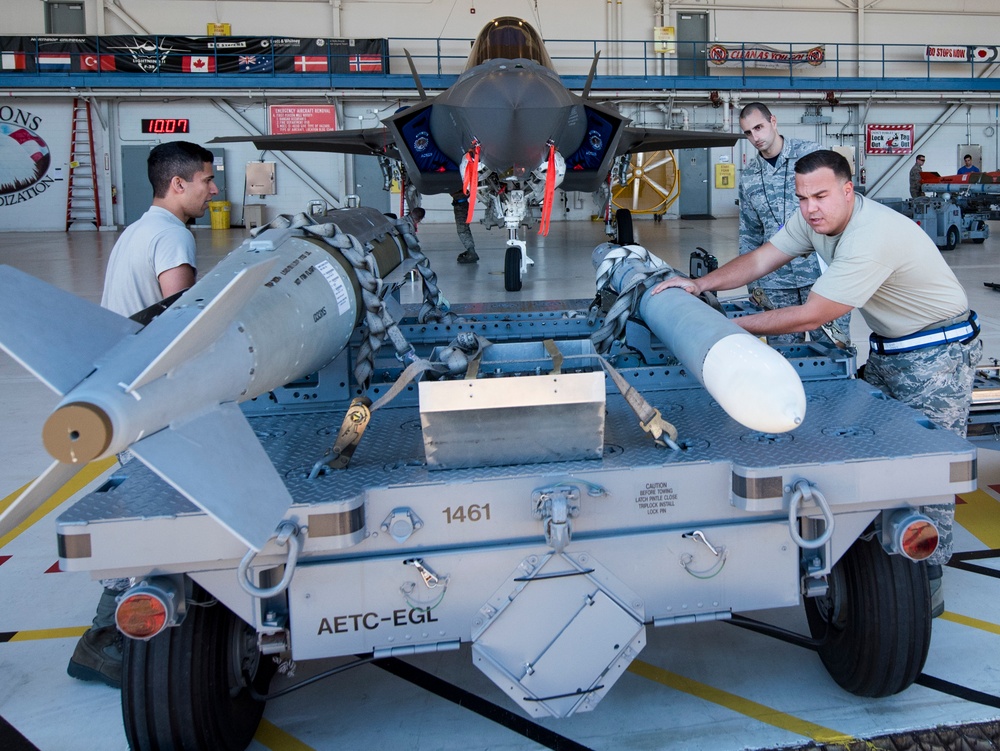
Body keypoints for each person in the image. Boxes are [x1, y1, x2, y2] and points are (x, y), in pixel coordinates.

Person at [652, 149, 982, 610]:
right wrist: (701, 286)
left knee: (926, 466)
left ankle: (926, 578)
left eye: (821, 195)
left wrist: (726, 327)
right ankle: (876, 551)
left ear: (848, 191)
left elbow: (816, 313)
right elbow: (763, 258)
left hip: (937, 354)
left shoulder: (872, 235)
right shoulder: (816, 220)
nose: (810, 207)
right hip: (893, 347)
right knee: (883, 449)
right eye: (802, 196)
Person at [68, 140, 218, 689]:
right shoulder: (173, 236)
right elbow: (179, 320)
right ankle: (101, 639)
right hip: (152, 395)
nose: (213, 188)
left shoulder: (138, 230)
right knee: (151, 511)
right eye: (205, 179)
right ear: (177, 184)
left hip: (122, 382)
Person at [736, 102, 849, 346]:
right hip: (775, 281)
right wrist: (753, 285)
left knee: (833, 350)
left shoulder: (812, 155)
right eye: (748, 132)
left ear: (773, 122)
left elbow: (843, 208)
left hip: (820, 275)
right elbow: (749, 233)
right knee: (783, 354)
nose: (755, 137)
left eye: (759, 127)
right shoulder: (749, 176)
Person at [451, 189, 479, 264]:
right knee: (464, 229)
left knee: (462, 230)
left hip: (460, 205)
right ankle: (471, 251)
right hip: (461, 204)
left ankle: (471, 253)